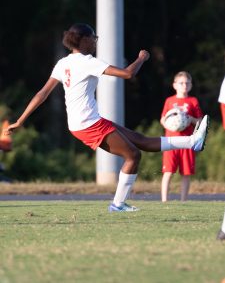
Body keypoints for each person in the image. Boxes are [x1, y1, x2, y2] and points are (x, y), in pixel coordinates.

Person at [4, 23, 209, 212]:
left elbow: (42, 93)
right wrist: (142, 58)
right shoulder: (88, 62)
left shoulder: (63, 63)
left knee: (141, 141)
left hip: (85, 122)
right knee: (133, 155)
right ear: (83, 40)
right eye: (94, 37)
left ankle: (193, 141)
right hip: (88, 124)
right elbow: (128, 74)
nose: (95, 41)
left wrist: (21, 120)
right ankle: (118, 204)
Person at [160, 71, 203, 202]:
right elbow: (163, 119)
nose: (184, 85)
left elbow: (200, 121)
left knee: (186, 173)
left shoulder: (193, 101)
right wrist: (171, 124)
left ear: (190, 85)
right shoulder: (169, 101)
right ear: (175, 85)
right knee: (168, 172)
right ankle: (164, 201)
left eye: (187, 83)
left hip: (187, 141)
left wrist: (190, 119)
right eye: (181, 83)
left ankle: (183, 201)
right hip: (171, 141)